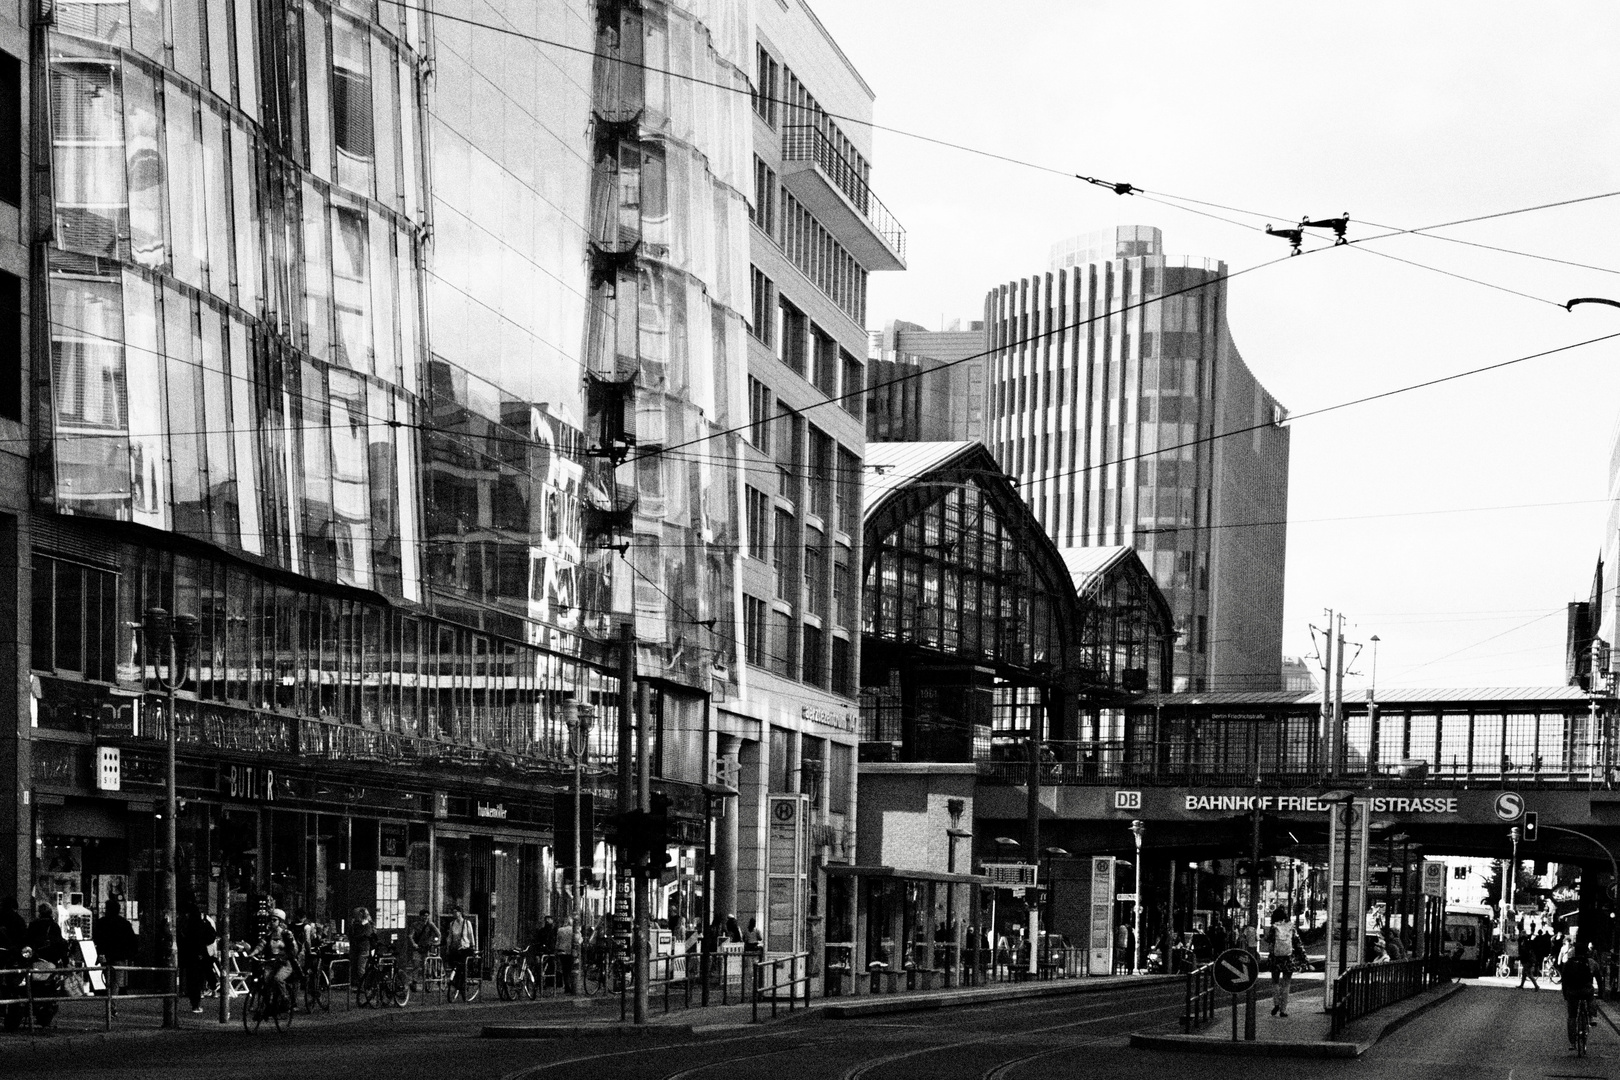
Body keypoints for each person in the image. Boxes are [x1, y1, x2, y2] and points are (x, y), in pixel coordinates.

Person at [249, 909, 302, 1012]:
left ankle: (286, 999)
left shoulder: (287, 934)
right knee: (265, 979)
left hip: (285, 963)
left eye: (274, 920)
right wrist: (253, 953)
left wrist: (285, 957)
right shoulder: (269, 934)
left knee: (278, 979)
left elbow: (294, 949)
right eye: (270, 920)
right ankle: (268, 1003)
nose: (271, 922)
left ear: (280, 922)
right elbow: (262, 944)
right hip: (272, 962)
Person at [93, 899, 137, 1012]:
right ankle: (112, 1006)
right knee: (116, 983)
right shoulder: (124, 923)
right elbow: (132, 941)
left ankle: (109, 1003)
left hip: (105, 956)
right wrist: (130, 955)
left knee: (108, 981)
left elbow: (96, 938)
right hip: (119, 956)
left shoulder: (102, 922)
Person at [1559, 940, 1599, 1050]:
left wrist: (1565, 994)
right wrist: (1601, 994)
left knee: (1572, 1016)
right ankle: (1591, 1018)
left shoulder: (1568, 963)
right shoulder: (1591, 962)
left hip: (1572, 992)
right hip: (1586, 990)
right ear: (1586, 951)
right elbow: (1599, 978)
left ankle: (1572, 1043)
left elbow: (1564, 980)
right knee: (1591, 997)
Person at [1263, 907, 1299, 1017]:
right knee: (1286, 984)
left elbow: (1268, 939)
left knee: (1275, 982)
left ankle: (1276, 1003)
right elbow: (1297, 942)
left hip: (1275, 958)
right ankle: (1283, 1010)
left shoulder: (1274, 928)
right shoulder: (1291, 927)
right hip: (1288, 958)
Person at [445, 904, 477, 998]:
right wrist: (448, 947)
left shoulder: (467, 923)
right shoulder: (452, 924)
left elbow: (471, 935)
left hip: (465, 948)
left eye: (456, 912)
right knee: (454, 965)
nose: (454, 914)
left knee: (463, 966)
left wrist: (474, 947)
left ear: (460, 913)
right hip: (455, 949)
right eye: (453, 912)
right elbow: (450, 936)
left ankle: (462, 984)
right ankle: (456, 982)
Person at [410, 909, 440, 991]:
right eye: (424, 916)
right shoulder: (415, 925)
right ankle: (414, 982)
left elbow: (438, 934)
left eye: (427, 916)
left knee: (425, 966)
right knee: (416, 965)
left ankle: (426, 983)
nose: (425, 917)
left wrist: (435, 942)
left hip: (426, 948)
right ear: (420, 916)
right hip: (417, 947)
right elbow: (411, 935)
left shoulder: (430, 925)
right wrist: (414, 943)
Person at [349, 906, 376, 990]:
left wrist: (356, 935)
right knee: (359, 967)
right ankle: (361, 984)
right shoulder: (361, 924)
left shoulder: (366, 924)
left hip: (364, 948)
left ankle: (363, 986)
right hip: (360, 948)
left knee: (361, 968)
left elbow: (364, 935)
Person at [555, 917, 577, 994]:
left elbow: (557, 942)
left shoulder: (560, 930)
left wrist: (556, 950)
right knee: (571, 969)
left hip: (561, 951)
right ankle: (572, 986)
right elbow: (579, 940)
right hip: (570, 951)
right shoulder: (573, 930)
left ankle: (567, 986)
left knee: (565, 969)